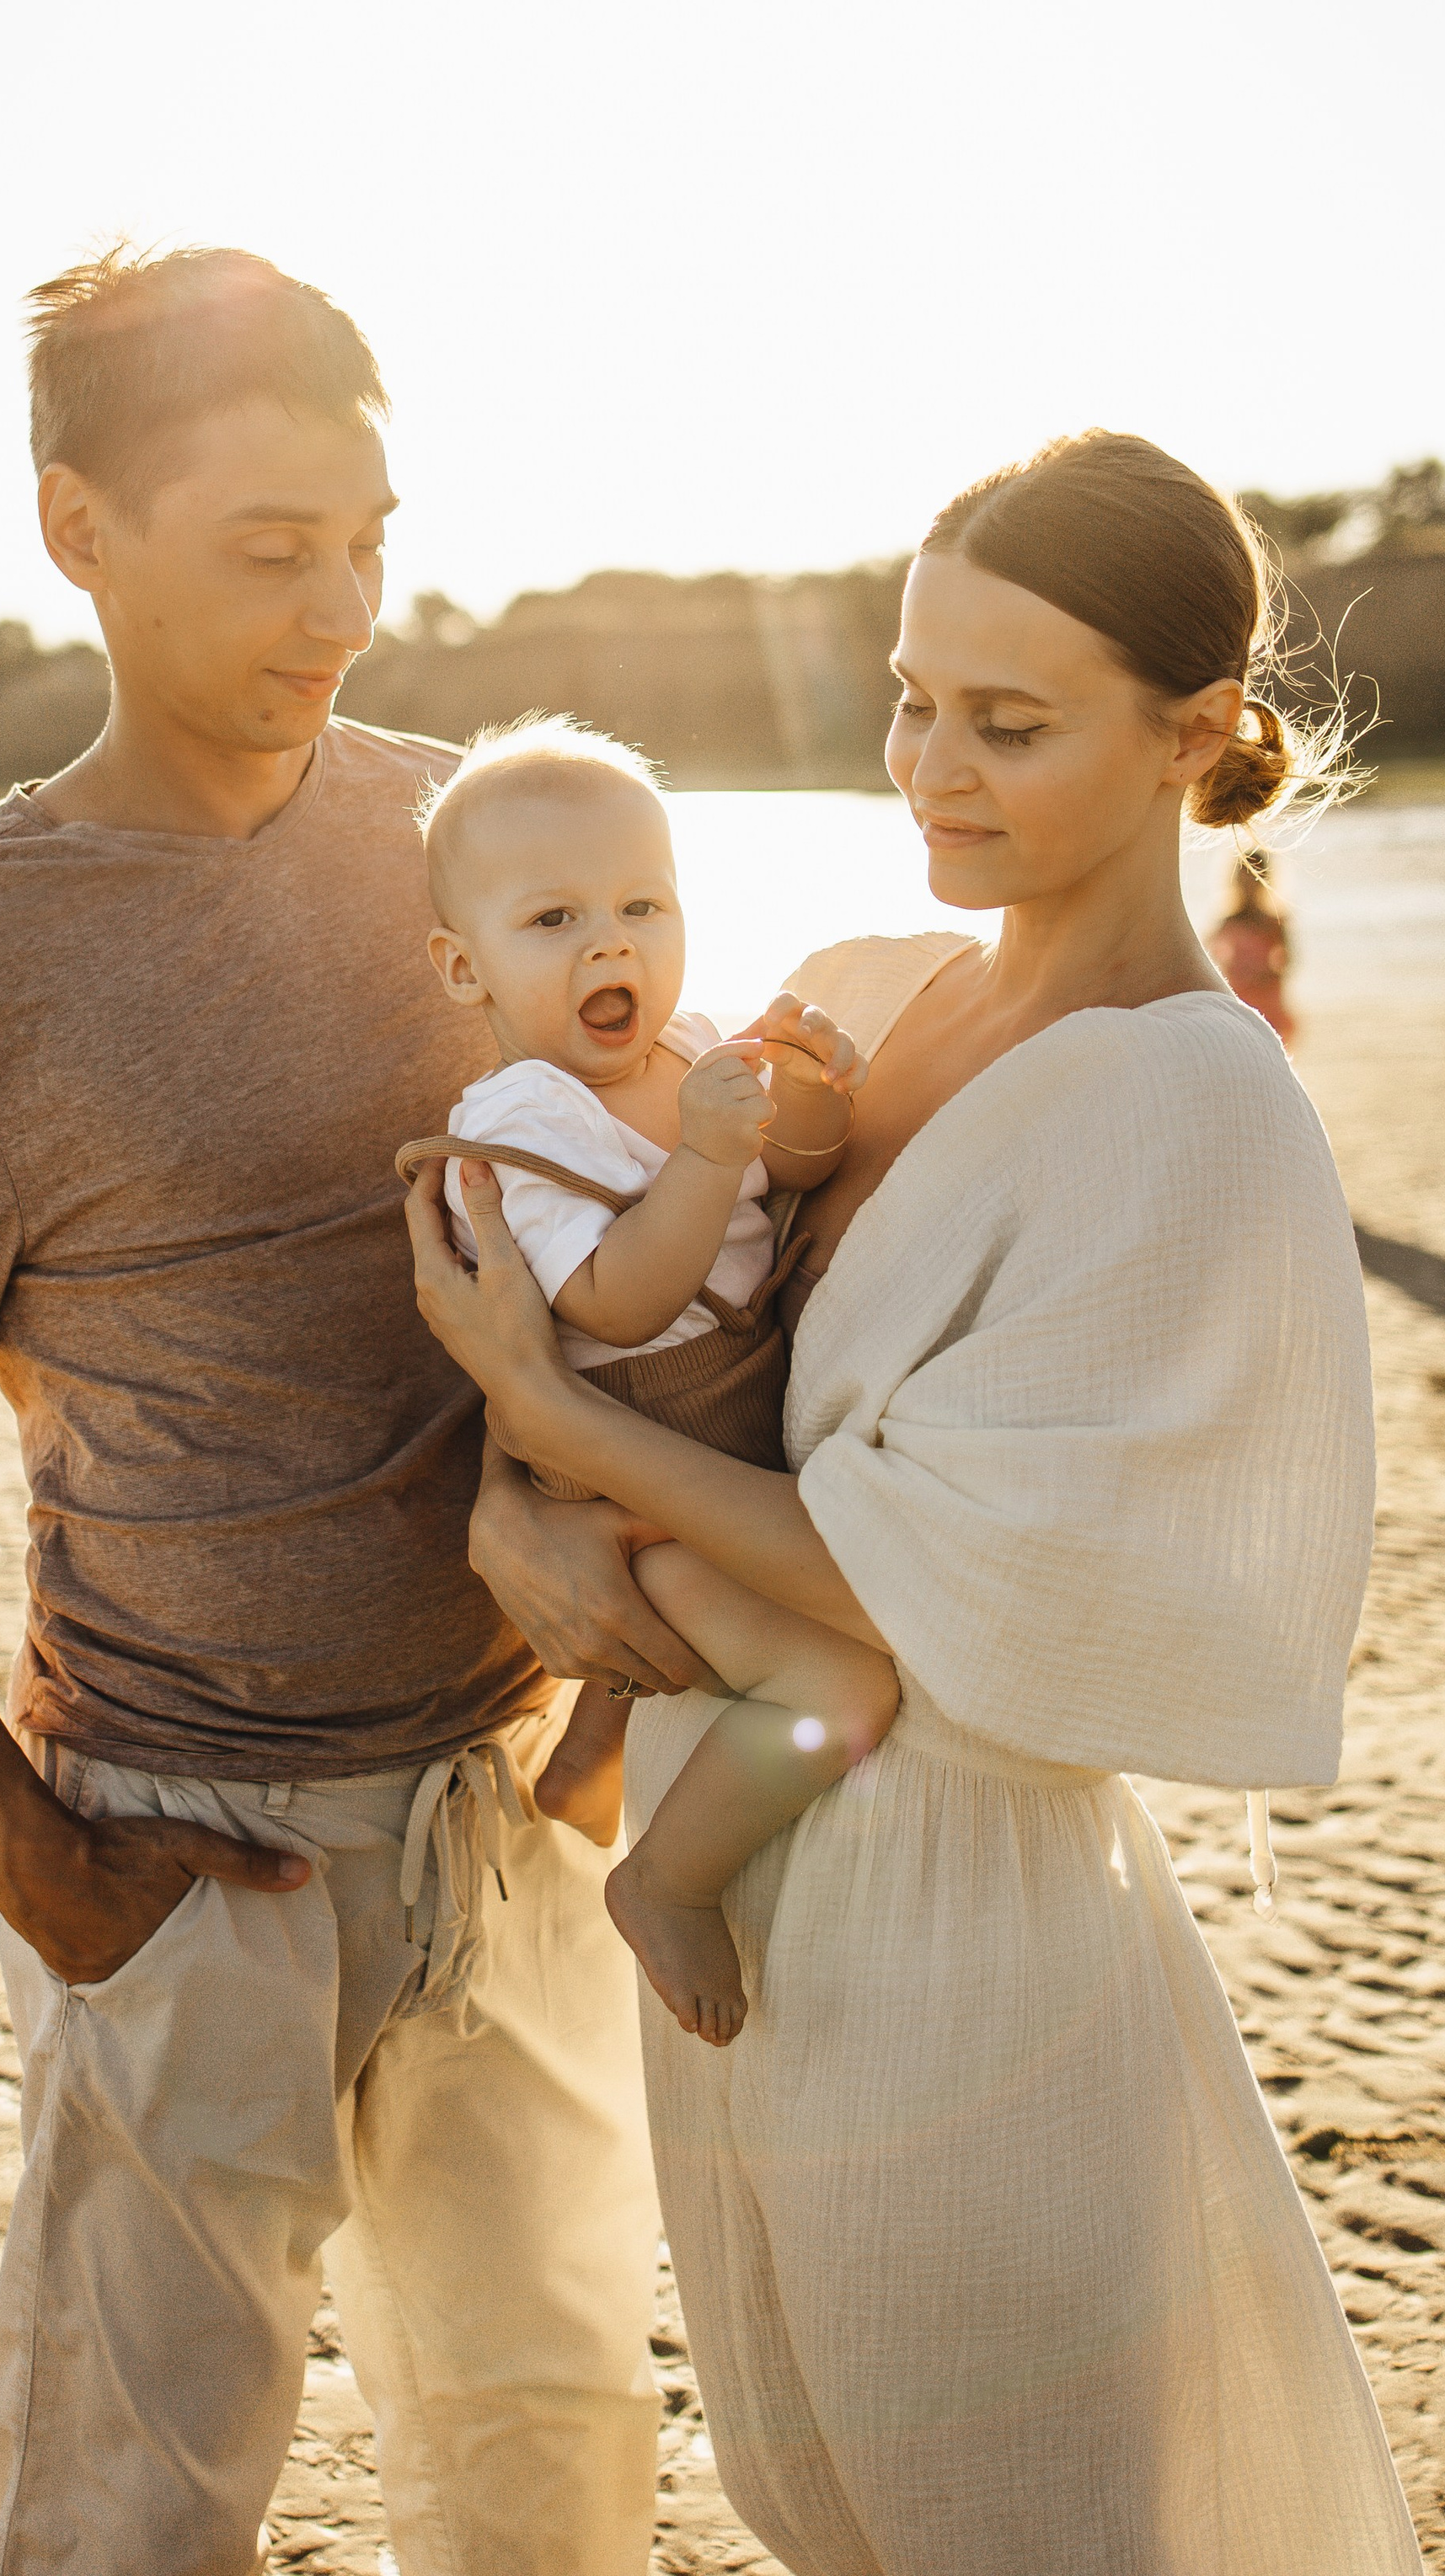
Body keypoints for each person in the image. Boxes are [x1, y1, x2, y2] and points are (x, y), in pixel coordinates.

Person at [409, 429, 1425, 2575]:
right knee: (824, 2503)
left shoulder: (1188, 1102)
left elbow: (900, 1583)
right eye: (907, 693)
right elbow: (654, 1325)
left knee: (1015, 2518)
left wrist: (542, 1417)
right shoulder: (865, 988)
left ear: (1196, 736)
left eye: (1008, 720)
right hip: (738, 1894)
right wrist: (513, 1496)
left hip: (963, 1938)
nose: (927, 768)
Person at [0, 245, 666, 2576]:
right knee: (134, 2514)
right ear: (78, 529)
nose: (345, 603)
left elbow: (653, 1265)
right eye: (275, 550)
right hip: (177, 1855)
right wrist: (22, 1850)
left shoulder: (479, 848)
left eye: (372, 537)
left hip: (504, 1822)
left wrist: (628, 1702)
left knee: (551, 2462)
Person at [398, 715, 896, 2045]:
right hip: (635, 1452)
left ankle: (585, 1766)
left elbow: (789, 1171)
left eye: (641, 905)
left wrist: (803, 1098)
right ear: (466, 967)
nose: (612, 944)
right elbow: (619, 1295)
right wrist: (704, 1157)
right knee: (843, 1689)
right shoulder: (519, 1123)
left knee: (712, 1649)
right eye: (552, 919)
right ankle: (666, 1883)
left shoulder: (688, 1046)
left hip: (726, 1417)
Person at [1209, 845, 1298, 1042]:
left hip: (1267, 1000)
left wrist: (1263, 977)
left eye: (1253, 876)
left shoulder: (1274, 921)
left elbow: (1288, 960)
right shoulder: (1229, 921)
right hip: (1238, 997)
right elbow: (1207, 957)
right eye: (1243, 876)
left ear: (1264, 880)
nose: (1248, 882)